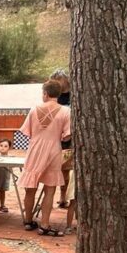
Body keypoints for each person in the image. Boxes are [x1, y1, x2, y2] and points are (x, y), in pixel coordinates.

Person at [17, 79, 71, 236]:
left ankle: (28, 220)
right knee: (50, 189)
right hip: (54, 149)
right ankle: (45, 224)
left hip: (34, 149)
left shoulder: (34, 110)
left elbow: (27, 132)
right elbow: (67, 136)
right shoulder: (66, 111)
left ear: (45, 93)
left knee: (30, 188)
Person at [50, 68, 73, 208]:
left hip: (71, 136)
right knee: (61, 168)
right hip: (58, 136)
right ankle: (62, 196)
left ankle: (70, 197)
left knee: (70, 168)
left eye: (57, 81)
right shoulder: (55, 97)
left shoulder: (74, 94)